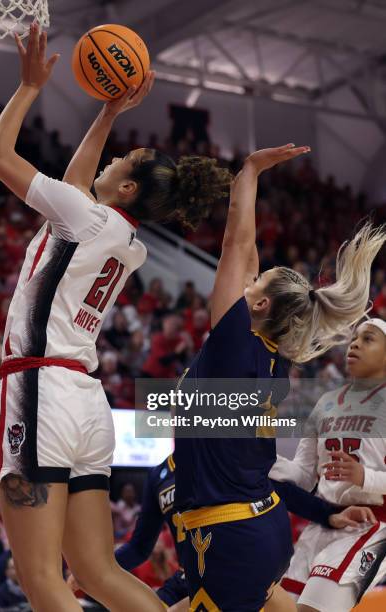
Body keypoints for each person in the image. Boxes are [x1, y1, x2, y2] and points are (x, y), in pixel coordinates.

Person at [0, 22, 230, 612]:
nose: (113, 158)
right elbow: (76, 185)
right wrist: (108, 112)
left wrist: (28, 87)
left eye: (123, 159)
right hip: (86, 404)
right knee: (96, 573)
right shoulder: (125, 239)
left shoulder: (85, 218)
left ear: (125, 186)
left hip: (40, 389)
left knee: (41, 580)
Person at [173, 144, 386, 611]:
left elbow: (236, 244)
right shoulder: (271, 360)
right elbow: (245, 254)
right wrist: (327, 514)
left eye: (254, 283)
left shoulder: (235, 346)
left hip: (230, 532)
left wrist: (248, 172)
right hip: (258, 525)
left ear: (261, 305)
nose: (245, 281)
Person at [115, 454, 376, 611]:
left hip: (230, 575)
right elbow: (139, 547)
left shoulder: (225, 457)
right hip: (186, 579)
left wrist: (329, 514)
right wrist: (100, 567)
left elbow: (280, 491)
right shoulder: (157, 475)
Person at [271, 318, 386, 611]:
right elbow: (303, 475)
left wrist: (366, 477)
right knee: (279, 607)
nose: (356, 343)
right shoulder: (326, 403)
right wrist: (260, 459)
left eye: (368, 338)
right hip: (325, 521)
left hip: (372, 525)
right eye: (354, 338)